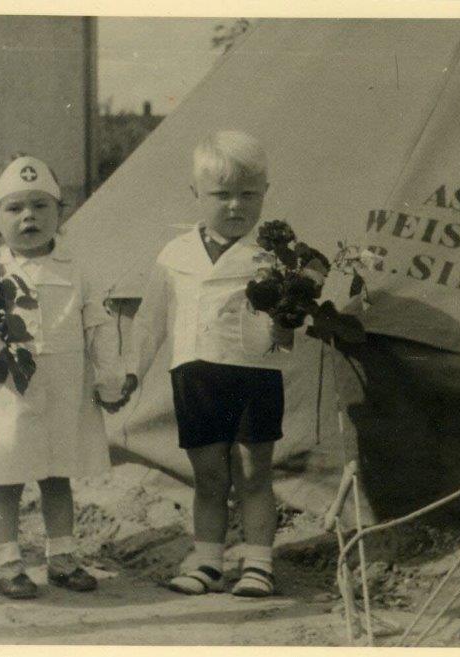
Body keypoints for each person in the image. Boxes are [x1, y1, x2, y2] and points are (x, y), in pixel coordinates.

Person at [0, 154, 136, 599]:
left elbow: (97, 328)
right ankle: (7, 562)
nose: (29, 217)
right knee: (6, 476)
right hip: (9, 395)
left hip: (63, 391)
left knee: (58, 476)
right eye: (15, 208)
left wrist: (109, 379)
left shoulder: (77, 271)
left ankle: (62, 558)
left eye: (40, 206)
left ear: (61, 213)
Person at [130, 130, 294, 597]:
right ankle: (207, 562)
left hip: (254, 375)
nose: (235, 206)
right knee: (209, 476)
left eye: (248, 194)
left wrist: (287, 322)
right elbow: (151, 322)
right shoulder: (175, 254)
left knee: (253, 472)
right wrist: (130, 374)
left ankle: (259, 563)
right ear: (196, 195)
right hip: (196, 377)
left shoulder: (275, 257)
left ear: (266, 194)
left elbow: (285, 339)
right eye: (221, 195)